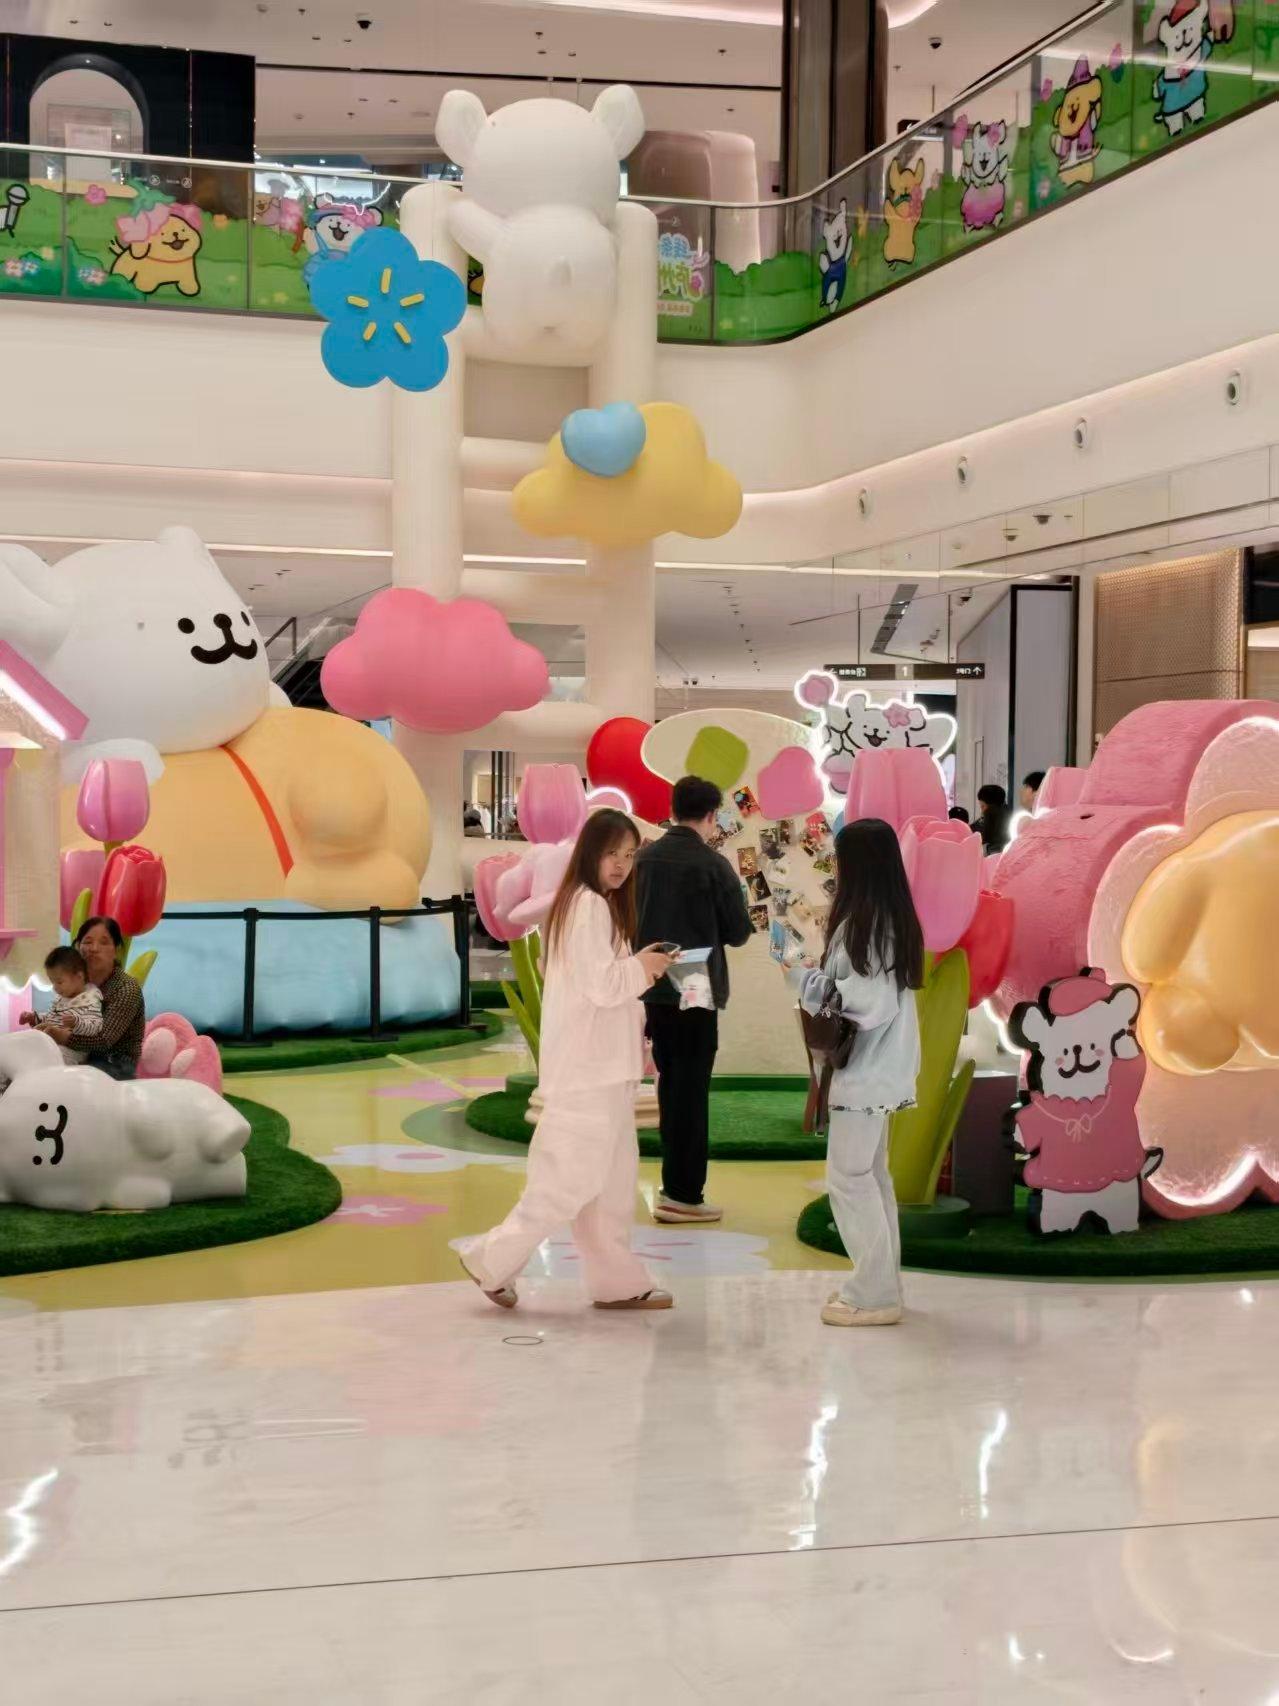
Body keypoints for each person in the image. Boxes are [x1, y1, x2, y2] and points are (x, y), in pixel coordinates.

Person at [459, 809, 676, 1313]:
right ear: (590, 852)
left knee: (609, 1188)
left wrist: (638, 967)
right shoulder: (587, 906)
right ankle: (490, 1260)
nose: (621, 865)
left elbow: (593, 985)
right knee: (566, 1182)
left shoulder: (587, 905)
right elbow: (603, 986)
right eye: (612, 853)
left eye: (629, 855)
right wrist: (644, 966)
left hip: (603, 1070)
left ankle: (617, 1282)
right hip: (588, 1074)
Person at [798, 818, 923, 1328]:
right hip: (883, 1069)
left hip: (866, 1072)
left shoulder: (865, 926)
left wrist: (808, 983)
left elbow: (865, 1005)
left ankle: (873, 1292)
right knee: (870, 1175)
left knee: (849, 1178)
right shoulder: (891, 920)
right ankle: (882, 1283)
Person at [635, 775, 754, 1225]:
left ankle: (675, 1186)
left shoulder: (643, 859)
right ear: (711, 815)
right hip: (694, 977)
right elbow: (738, 933)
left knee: (670, 1081)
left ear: (673, 808)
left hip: (650, 978)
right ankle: (683, 1194)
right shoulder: (713, 865)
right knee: (690, 1088)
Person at [39, 916, 146, 1080]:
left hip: (114, 1062)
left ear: (116, 950)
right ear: (78, 946)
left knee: (56, 1077)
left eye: (104, 942)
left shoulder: (126, 988)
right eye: (88, 942)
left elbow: (104, 1041)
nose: (94, 948)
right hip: (77, 1054)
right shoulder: (76, 982)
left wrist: (62, 1037)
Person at [20, 946, 103, 1065]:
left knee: (44, 1059)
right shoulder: (62, 998)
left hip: (70, 1051)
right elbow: (50, 1018)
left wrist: (77, 1023)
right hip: (50, 1044)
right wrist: (34, 1017)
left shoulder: (89, 1000)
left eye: (59, 982)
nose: (55, 987)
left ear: (79, 977)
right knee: (22, 1048)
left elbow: (95, 1027)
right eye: (52, 982)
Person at [974, 783, 1012, 854]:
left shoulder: (992, 814)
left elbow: (981, 835)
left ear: (992, 806)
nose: (982, 811)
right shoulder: (1008, 812)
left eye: (983, 806)